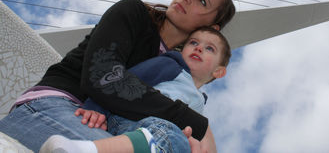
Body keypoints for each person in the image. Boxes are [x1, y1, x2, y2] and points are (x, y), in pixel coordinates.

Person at [0, 0, 236, 152]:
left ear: (211, 28)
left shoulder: (181, 75)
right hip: (50, 109)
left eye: (202, 1)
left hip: (108, 131)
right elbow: (104, 78)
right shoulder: (133, 13)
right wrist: (196, 122)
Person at [39, 26, 231, 153]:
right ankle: (81, 150)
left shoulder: (199, 102)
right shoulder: (172, 66)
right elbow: (125, 80)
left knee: (179, 143)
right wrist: (95, 106)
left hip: (152, 136)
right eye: (193, 43)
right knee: (170, 135)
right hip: (129, 119)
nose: (198, 48)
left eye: (209, 49)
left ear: (219, 71)